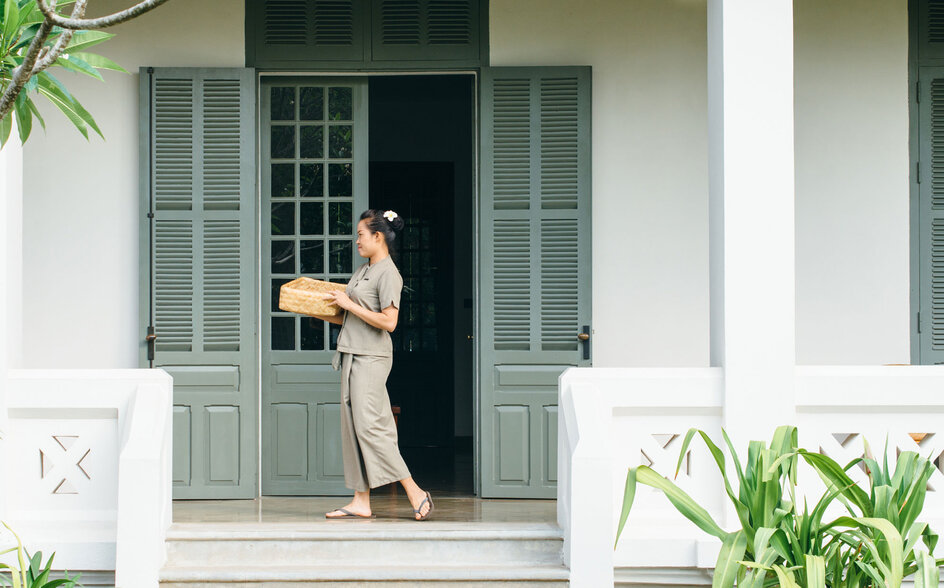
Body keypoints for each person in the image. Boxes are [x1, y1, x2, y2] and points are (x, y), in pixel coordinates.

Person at [312, 208, 433, 521]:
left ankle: (415, 491)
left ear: (378, 237)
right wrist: (315, 310)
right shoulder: (363, 271)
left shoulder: (388, 274)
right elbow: (349, 314)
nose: (356, 241)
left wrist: (348, 303)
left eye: (361, 235)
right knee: (353, 426)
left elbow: (389, 322)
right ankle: (360, 500)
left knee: (372, 427)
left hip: (372, 358)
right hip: (352, 352)